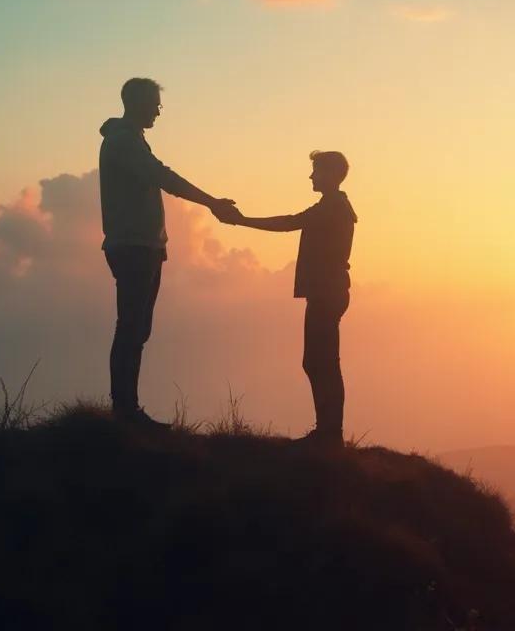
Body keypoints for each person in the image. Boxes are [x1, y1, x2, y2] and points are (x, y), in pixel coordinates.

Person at [99, 77, 239, 428]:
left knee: (136, 328)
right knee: (131, 327)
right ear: (137, 103)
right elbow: (164, 178)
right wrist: (211, 202)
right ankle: (125, 411)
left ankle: (126, 408)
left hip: (143, 245)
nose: (159, 112)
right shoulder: (124, 141)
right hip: (133, 246)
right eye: (155, 105)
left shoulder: (131, 140)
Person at [219, 151, 357, 447]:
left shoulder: (332, 208)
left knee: (321, 362)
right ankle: (329, 432)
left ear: (331, 174)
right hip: (328, 291)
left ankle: (329, 434)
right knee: (320, 362)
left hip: (326, 293)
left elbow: (288, 222)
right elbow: (292, 222)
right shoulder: (334, 206)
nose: (311, 176)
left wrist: (241, 221)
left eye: (317, 171)